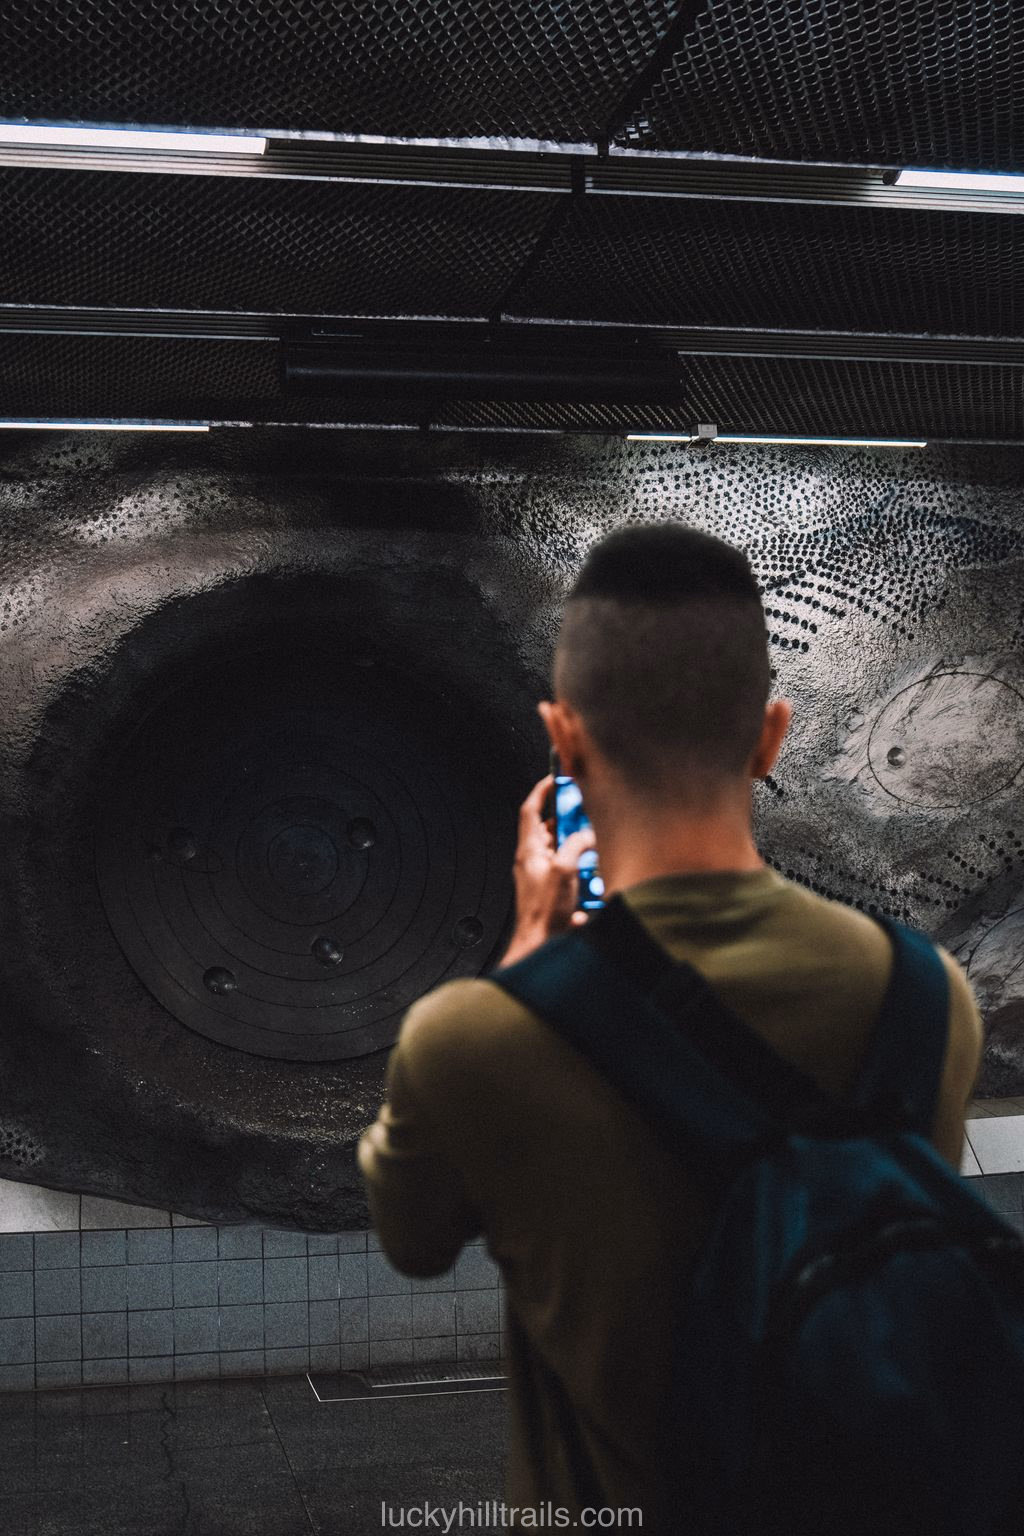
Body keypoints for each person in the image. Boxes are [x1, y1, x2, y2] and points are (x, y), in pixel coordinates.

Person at [357, 521, 983, 1530]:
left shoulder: (472, 1038)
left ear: (562, 740)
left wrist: (528, 959)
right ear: (771, 736)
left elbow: (411, 1235)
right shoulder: (925, 996)